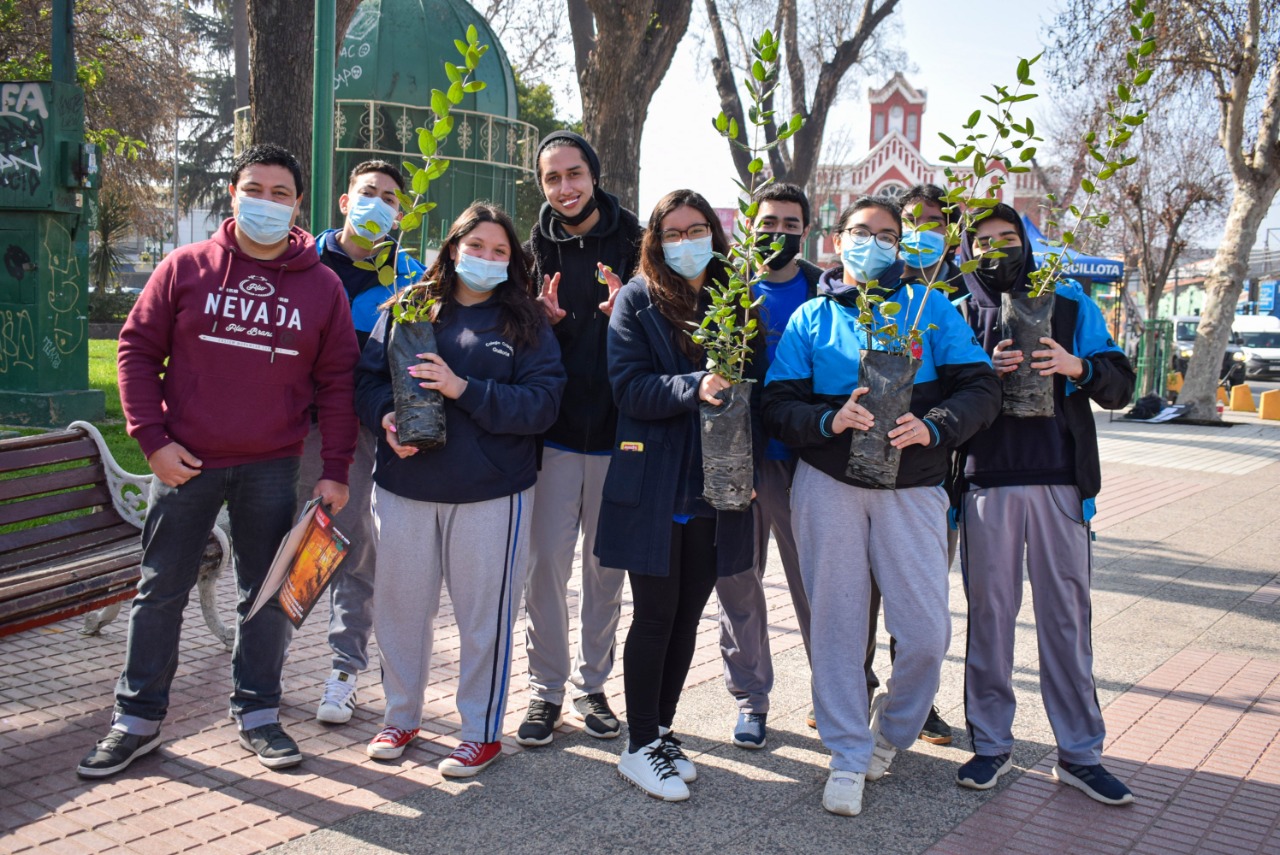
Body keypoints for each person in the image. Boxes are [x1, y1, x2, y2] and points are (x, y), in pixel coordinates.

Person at [77, 143, 360, 779]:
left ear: (298, 205)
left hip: (271, 467)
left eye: (280, 193)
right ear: (233, 195)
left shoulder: (322, 288)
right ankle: (136, 719)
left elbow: (338, 384)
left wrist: (335, 468)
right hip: (185, 462)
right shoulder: (185, 268)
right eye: (254, 189)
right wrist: (151, 439)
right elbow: (135, 352)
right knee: (159, 591)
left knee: (263, 596)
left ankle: (259, 712)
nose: (266, 202)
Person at [763, 195, 999, 817]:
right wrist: (825, 417)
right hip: (827, 488)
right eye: (861, 232)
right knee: (837, 628)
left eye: (887, 235)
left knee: (925, 632)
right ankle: (845, 752)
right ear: (838, 242)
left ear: (903, 245)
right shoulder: (814, 317)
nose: (874, 243)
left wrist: (937, 426)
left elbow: (982, 387)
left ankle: (889, 736)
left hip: (913, 490)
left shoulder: (932, 309)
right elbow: (777, 404)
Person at [354, 202, 564, 778]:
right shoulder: (408, 307)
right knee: (400, 608)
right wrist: (386, 419)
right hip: (404, 487)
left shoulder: (527, 323)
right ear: (451, 249)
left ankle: (480, 731)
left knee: (482, 618)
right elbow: (367, 382)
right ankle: (401, 715)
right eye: (476, 248)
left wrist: (462, 387)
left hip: (492, 494)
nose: (486, 259)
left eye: (500, 252)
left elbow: (543, 405)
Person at [953, 203, 1137, 805]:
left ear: (1026, 242)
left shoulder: (1070, 301)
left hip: (1060, 482)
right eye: (983, 241)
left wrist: (1075, 365)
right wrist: (983, 372)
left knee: (1066, 618)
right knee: (991, 619)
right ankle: (991, 745)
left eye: (1008, 237)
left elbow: (1120, 381)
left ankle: (1080, 754)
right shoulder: (954, 311)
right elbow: (932, 391)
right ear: (966, 248)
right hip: (985, 484)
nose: (996, 249)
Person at [597, 189, 760, 802]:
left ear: (715, 238)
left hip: (715, 486)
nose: (686, 242)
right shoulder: (637, 301)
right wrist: (696, 384)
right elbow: (630, 389)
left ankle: (662, 730)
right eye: (673, 232)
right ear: (656, 240)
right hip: (658, 482)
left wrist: (745, 465)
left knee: (690, 612)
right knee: (656, 613)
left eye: (697, 230)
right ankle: (638, 745)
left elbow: (755, 389)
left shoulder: (736, 301)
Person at [517, 131, 643, 747]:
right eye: (552, 179)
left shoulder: (636, 243)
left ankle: (594, 687)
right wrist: (542, 327)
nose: (565, 188)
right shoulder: (530, 252)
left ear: (594, 174)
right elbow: (510, 341)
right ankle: (545, 691)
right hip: (554, 439)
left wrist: (632, 312)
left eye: (575, 174)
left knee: (604, 570)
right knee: (544, 568)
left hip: (620, 438)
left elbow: (668, 330)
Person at [307, 159, 426, 725]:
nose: (375, 203)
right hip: (296, 430)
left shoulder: (408, 275)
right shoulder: (303, 259)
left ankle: (343, 670)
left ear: (402, 212)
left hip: (363, 430)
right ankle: (260, 669)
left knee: (354, 548)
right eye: (366, 192)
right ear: (343, 200)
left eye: (388, 197)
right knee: (287, 547)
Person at [712, 182, 821, 750]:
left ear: (807, 228)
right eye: (768, 223)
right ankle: (751, 699)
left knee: (818, 588)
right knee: (737, 581)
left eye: (789, 223)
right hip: (739, 462)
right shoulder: (729, 293)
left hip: (808, 466)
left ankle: (832, 694)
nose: (778, 233)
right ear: (751, 228)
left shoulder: (828, 291)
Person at [858, 182, 963, 746]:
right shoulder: (866, 292)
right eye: (910, 222)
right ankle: (857, 687)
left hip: (927, 476)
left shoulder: (956, 297)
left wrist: (935, 427)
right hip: (851, 475)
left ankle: (913, 702)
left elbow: (970, 386)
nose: (921, 232)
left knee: (916, 597)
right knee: (855, 594)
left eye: (932, 222)